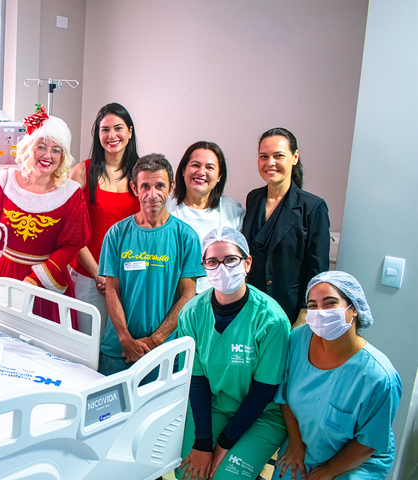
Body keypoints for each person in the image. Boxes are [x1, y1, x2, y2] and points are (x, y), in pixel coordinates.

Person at [177, 227, 290, 480]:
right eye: (212, 262)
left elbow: (264, 391)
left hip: (263, 414)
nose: (221, 268)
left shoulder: (271, 320)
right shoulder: (192, 314)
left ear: (247, 263)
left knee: (226, 477)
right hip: (217, 404)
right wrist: (204, 443)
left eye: (230, 260)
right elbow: (197, 380)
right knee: (187, 470)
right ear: (204, 265)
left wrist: (224, 445)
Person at [273, 271, 402, 480]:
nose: (319, 312)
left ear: (354, 309)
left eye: (330, 303)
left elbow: (369, 442)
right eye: (312, 305)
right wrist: (296, 444)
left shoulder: (379, 377)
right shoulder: (298, 340)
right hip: (305, 443)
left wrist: (328, 471)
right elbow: (285, 397)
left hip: (357, 461)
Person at [0, 105, 89, 328]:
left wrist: (37, 280)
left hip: (43, 282)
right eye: (41, 146)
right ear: (28, 148)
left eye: (56, 150)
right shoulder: (6, 180)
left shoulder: (72, 194)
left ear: (63, 156)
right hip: (0, 273)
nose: (48, 155)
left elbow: (72, 244)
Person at [97, 153, 204, 376]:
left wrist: (155, 340)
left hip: (164, 353)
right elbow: (111, 290)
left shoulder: (186, 237)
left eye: (160, 186)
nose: (152, 194)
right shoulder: (116, 234)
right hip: (117, 351)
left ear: (172, 187)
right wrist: (125, 339)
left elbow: (187, 295)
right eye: (145, 186)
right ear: (134, 188)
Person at [243, 127, 330, 325]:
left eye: (278, 156)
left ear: (294, 157)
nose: (269, 163)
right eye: (263, 156)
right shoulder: (253, 198)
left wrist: (304, 313)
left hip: (289, 311)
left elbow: (317, 270)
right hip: (252, 306)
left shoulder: (313, 207)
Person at [69, 103, 140, 332]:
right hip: (90, 276)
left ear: (129, 131)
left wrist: (118, 276)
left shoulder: (143, 173)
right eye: (105, 129)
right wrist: (99, 274)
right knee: (87, 345)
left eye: (118, 128)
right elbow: (71, 229)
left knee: (125, 344)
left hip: (131, 276)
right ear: (97, 134)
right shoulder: (82, 172)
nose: (112, 135)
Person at [167, 141, 245, 293]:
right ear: (183, 170)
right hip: (170, 296)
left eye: (209, 167)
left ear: (219, 177)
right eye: (195, 165)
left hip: (217, 298)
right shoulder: (165, 206)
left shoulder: (233, 211)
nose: (201, 172)